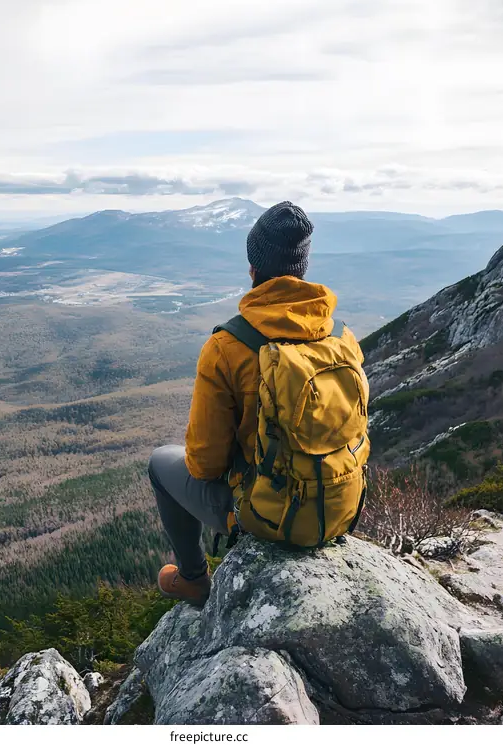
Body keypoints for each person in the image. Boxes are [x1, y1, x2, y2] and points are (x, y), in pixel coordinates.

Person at [148, 200, 367, 606]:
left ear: (253, 270)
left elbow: (204, 464)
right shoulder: (342, 338)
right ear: (302, 269)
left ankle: (194, 578)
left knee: (162, 462)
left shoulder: (227, 346)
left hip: (266, 515)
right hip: (339, 507)